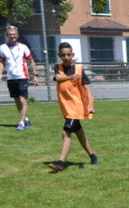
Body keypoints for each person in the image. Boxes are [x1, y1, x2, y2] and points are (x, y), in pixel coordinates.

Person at [48, 42, 98, 172]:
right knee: (79, 132)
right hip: (66, 107)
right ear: (59, 55)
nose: (66, 57)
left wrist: (90, 105)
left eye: (68, 54)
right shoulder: (57, 67)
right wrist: (70, 77)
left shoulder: (79, 69)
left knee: (66, 132)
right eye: (63, 55)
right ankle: (93, 156)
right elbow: (57, 78)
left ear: (73, 55)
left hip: (76, 107)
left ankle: (61, 162)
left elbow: (87, 89)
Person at [0, 25, 38, 131]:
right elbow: (1, 62)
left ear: (17, 35)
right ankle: (26, 119)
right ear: (7, 35)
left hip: (22, 76)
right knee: (16, 100)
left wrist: (35, 75)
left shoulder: (23, 47)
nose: (12, 36)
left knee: (22, 99)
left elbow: (31, 61)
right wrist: (0, 74)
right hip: (11, 77)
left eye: (14, 34)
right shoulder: (2, 48)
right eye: (10, 34)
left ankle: (21, 123)